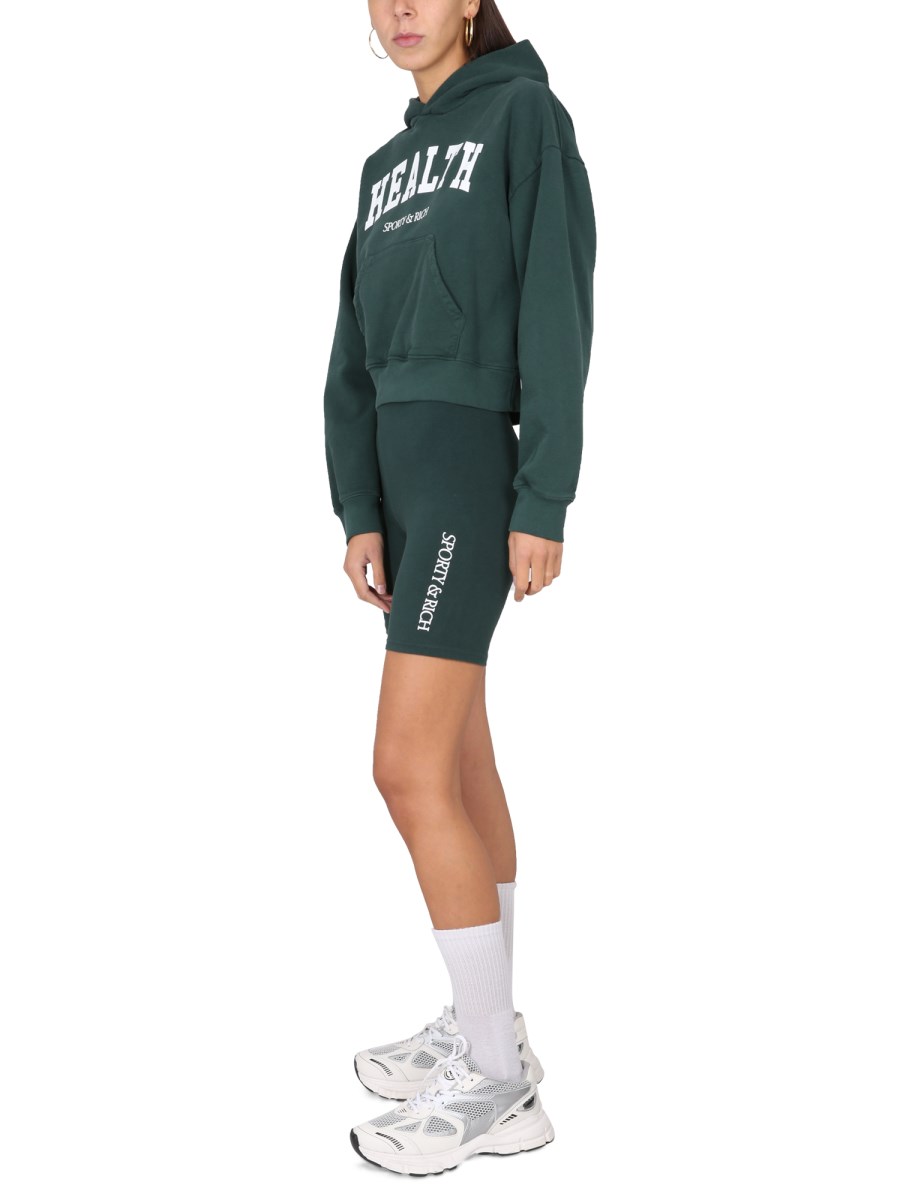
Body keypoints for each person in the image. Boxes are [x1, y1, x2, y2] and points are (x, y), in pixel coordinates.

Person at [322, 0, 596, 1175]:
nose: (402, 8)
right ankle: (491, 1025)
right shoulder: (384, 166)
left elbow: (558, 306)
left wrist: (543, 496)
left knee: (406, 767)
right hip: (403, 484)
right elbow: (351, 353)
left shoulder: (524, 118)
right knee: (462, 760)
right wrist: (357, 505)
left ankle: (493, 1080)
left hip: (471, 476)